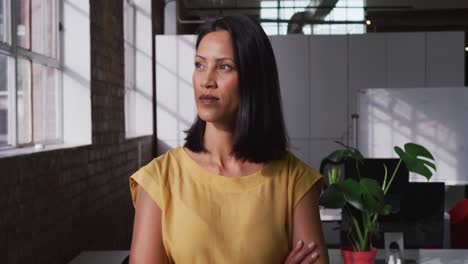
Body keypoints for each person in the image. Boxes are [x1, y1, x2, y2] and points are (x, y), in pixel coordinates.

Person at [129, 15, 329, 264]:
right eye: (200, 65)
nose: (206, 80)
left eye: (224, 66)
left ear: (254, 79)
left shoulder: (295, 181)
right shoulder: (158, 180)